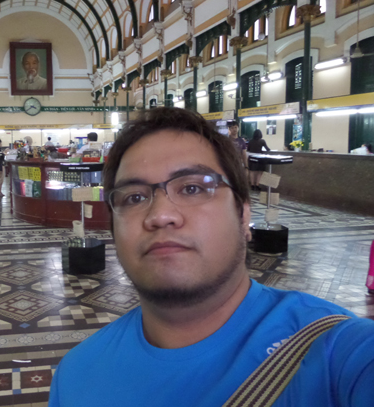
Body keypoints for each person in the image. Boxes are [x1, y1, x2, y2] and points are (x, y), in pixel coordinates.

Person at [48, 107, 374, 407]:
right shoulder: (76, 376)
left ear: (244, 215)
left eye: (193, 188)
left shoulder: (336, 351)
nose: (161, 215)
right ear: (113, 229)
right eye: (134, 197)